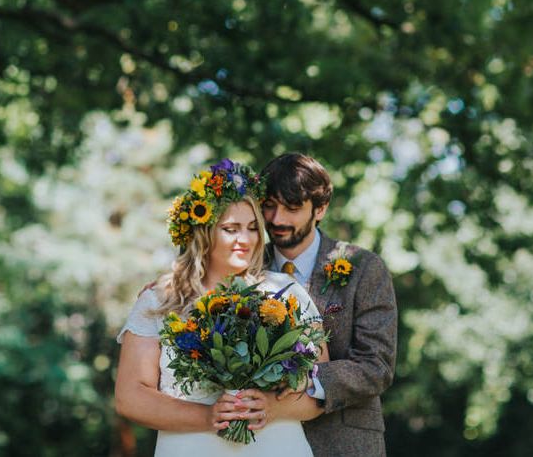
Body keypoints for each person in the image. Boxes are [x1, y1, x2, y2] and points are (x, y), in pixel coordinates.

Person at [114, 159, 328, 457]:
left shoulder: (287, 292)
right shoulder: (161, 299)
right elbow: (130, 398)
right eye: (231, 229)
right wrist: (208, 416)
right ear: (205, 233)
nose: (246, 239)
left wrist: (273, 407)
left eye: (253, 228)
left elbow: (320, 388)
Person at [228, 153, 398, 457]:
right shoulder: (241, 267)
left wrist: (306, 379)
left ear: (320, 209)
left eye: (292, 209)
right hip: (260, 443)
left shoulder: (364, 268)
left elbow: (377, 365)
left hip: (342, 443)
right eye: (269, 205)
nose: (277, 220)